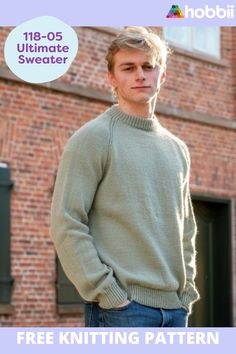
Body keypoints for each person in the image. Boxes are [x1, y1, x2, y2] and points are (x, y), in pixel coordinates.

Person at [50, 27, 200, 327]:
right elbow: (66, 221)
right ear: (112, 78)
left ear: (163, 75)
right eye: (128, 68)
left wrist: (186, 293)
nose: (140, 75)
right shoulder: (94, 138)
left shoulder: (177, 148)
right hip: (121, 310)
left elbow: (185, 229)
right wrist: (109, 293)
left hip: (175, 311)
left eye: (148, 66)